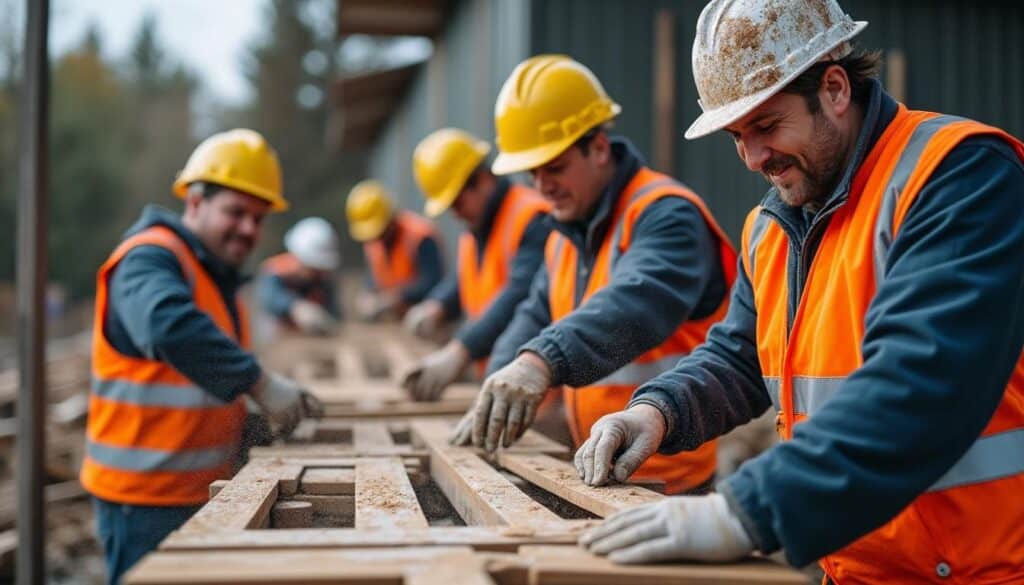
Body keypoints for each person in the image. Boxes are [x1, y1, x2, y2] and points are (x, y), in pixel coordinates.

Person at [575, 1, 1024, 582]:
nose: (752, 158)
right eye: (737, 136)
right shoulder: (775, 225)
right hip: (857, 568)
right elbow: (738, 355)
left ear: (834, 89)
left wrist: (747, 511)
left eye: (766, 126)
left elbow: (922, 381)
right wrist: (657, 411)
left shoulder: (960, 177)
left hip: (982, 570)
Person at [452, 55, 737, 496]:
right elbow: (535, 312)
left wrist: (540, 361)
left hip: (670, 480)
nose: (543, 186)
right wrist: (501, 378)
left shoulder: (666, 215)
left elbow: (635, 304)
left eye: (555, 167)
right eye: (533, 173)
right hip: (597, 473)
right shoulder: (566, 232)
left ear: (599, 148)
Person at [80, 129, 324, 584]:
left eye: (258, 218)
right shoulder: (148, 258)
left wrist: (249, 423)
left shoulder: (215, 276)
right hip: (145, 501)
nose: (248, 229)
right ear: (195, 202)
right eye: (235, 212)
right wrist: (260, 384)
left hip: (203, 492)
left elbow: (195, 379)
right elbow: (168, 327)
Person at [401, 128, 551, 401]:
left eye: (457, 202)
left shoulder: (531, 217)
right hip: (500, 386)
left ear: (482, 180)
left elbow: (520, 294)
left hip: (536, 392)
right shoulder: (477, 229)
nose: (456, 213)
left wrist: (461, 350)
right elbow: (466, 279)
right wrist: (437, 305)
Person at [345, 179, 445, 321]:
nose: (376, 237)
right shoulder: (374, 243)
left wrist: (394, 298)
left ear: (390, 217)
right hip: (395, 320)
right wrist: (368, 295)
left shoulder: (419, 236)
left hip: (426, 316)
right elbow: (373, 279)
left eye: (379, 231)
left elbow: (433, 280)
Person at [258, 217, 341, 336]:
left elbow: (335, 313)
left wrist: (325, 320)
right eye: (313, 267)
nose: (318, 272)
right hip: (276, 339)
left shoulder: (323, 279)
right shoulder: (274, 272)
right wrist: (294, 307)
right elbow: (268, 299)